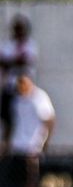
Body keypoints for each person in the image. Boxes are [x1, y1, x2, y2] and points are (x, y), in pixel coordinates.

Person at [3, 73, 54, 187]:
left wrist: (44, 143)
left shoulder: (39, 98)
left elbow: (49, 120)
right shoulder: (16, 100)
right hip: (16, 147)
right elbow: (13, 124)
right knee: (13, 183)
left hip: (32, 148)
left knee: (30, 181)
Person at [0, 15, 38, 147]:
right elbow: (4, 62)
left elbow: (25, 62)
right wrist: (15, 61)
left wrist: (10, 62)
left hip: (24, 89)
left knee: (22, 118)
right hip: (9, 87)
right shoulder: (7, 45)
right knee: (7, 119)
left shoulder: (31, 44)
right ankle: (7, 146)